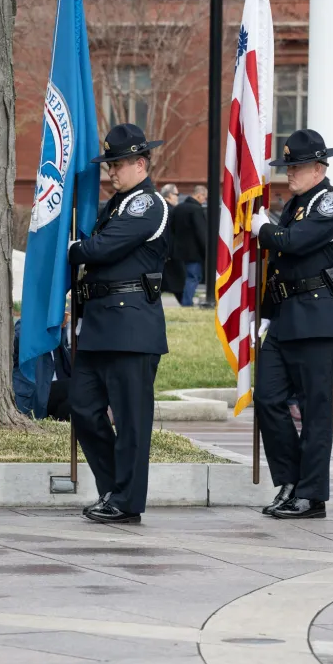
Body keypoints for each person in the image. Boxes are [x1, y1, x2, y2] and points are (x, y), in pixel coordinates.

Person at [68, 124, 171, 524]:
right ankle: (113, 486)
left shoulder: (147, 204)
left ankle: (127, 500)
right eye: (109, 164)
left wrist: (76, 248)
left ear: (141, 163)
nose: (111, 171)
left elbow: (103, 248)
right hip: (100, 325)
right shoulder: (118, 205)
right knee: (83, 407)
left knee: (130, 421)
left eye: (118, 164)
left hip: (131, 327)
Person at [251, 129, 333, 520]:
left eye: (295, 167)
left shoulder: (330, 202)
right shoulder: (297, 204)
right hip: (287, 316)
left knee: (314, 410)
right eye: (287, 166)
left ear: (318, 168)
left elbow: (293, 243)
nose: (289, 173)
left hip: (319, 318)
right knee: (268, 399)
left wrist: (265, 229)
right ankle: (290, 480)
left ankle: (311, 494)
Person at [171, 185, 209, 307]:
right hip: (194, 252)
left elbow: (172, 229)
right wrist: (207, 251)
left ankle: (186, 301)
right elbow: (201, 232)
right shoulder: (196, 210)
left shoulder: (178, 208)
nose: (204, 201)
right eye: (204, 198)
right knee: (193, 277)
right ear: (199, 195)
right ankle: (187, 303)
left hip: (178, 251)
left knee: (184, 278)